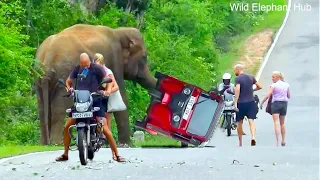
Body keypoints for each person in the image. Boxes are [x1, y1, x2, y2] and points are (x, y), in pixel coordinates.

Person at [55, 52, 126, 162]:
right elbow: (68, 82)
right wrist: (69, 89)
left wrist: (107, 91)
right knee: (67, 125)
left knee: (105, 127)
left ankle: (116, 154)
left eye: (87, 64)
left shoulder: (97, 68)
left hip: (95, 100)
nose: (85, 67)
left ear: (89, 61)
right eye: (83, 65)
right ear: (80, 63)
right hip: (80, 101)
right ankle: (65, 153)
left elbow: (109, 80)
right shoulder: (77, 69)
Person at [233, 64, 262, 146]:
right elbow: (260, 86)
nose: (234, 72)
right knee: (251, 120)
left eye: (234, 70)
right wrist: (252, 90)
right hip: (251, 102)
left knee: (239, 122)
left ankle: (240, 142)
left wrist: (235, 102)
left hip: (241, 103)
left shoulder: (238, 78)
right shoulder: (251, 77)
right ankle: (253, 137)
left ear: (238, 70)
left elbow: (237, 90)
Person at [260, 71, 290, 146]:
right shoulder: (286, 85)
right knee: (282, 123)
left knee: (276, 122)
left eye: (273, 77)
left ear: (278, 77)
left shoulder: (273, 85)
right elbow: (289, 96)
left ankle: (277, 141)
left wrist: (262, 102)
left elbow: (268, 95)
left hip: (276, 104)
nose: (272, 78)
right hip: (284, 104)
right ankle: (283, 140)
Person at [93, 53, 119, 130]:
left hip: (106, 99)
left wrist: (106, 92)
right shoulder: (92, 71)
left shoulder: (107, 72)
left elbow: (116, 87)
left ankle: (108, 139)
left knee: (107, 122)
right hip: (95, 97)